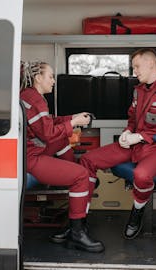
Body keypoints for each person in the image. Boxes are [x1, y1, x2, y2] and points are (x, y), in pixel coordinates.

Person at [79, 48, 156, 239]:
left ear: (151, 64)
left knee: (142, 175)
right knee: (88, 160)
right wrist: (128, 132)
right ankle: (79, 221)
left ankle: (137, 211)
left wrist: (139, 136)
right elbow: (132, 119)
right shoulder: (139, 91)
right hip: (136, 146)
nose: (134, 71)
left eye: (137, 66)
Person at [20, 60, 104, 253]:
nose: (53, 81)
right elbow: (48, 134)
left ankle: (69, 178)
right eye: (50, 77)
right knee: (82, 175)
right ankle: (76, 233)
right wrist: (74, 121)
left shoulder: (29, 95)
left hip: (32, 150)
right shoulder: (36, 100)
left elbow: (48, 124)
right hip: (31, 158)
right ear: (38, 78)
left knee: (61, 141)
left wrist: (72, 117)